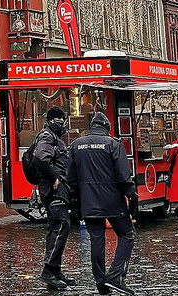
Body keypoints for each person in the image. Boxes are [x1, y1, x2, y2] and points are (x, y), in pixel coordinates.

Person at [65, 110, 138, 296]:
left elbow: (70, 178)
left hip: (88, 202)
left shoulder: (75, 145)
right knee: (127, 234)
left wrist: (74, 203)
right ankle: (115, 276)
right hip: (113, 201)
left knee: (96, 240)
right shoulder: (113, 144)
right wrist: (132, 197)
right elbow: (124, 176)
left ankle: (101, 282)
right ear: (107, 128)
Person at [27, 105, 76, 291]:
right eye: (58, 119)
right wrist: (54, 176)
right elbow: (40, 157)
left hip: (57, 189)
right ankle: (49, 270)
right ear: (50, 120)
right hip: (53, 190)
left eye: (63, 119)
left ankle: (55, 270)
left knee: (57, 226)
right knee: (60, 225)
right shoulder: (47, 136)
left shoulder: (52, 136)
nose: (62, 123)